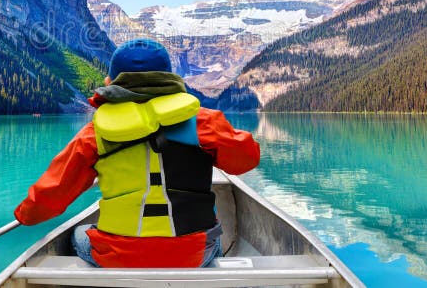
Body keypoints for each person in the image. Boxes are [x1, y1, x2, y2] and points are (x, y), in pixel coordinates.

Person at [14, 38, 260, 268]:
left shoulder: (93, 133)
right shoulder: (203, 122)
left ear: (112, 81)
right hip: (193, 254)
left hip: (117, 255)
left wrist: (24, 215)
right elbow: (246, 160)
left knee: (79, 233)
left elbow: (51, 195)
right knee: (214, 236)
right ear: (169, 78)